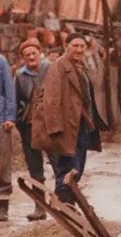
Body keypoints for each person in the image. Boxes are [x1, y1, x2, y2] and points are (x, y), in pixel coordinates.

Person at [31, 33, 106, 204]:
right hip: (68, 126)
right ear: (66, 47)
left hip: (82, 125)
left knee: (77, 168)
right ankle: (64, 205)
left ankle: (69, 204)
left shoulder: (79, 66)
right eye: (75, 46)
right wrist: (56, 129)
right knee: (67, 168)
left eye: (82, 46)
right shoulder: (59, 67)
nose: (79, 50)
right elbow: (51, 99)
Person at [15, 38, 59, 220]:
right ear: (23, 58)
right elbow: (16, 99)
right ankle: (40, 208)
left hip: (51, 125)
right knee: (35, 169)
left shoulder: (52, 68)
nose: (31, 57)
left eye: (34, 53)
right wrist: (20, 118)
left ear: (40, 53)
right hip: (30, 127)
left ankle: (62, 204)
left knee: (59, 165)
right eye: (27, 55)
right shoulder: (19, 75)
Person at [0, 53, 14, 221]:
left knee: (2, 163)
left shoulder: (1, 61)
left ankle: (2, 206)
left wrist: (10, 117)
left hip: (1, 119)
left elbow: (9, 89)